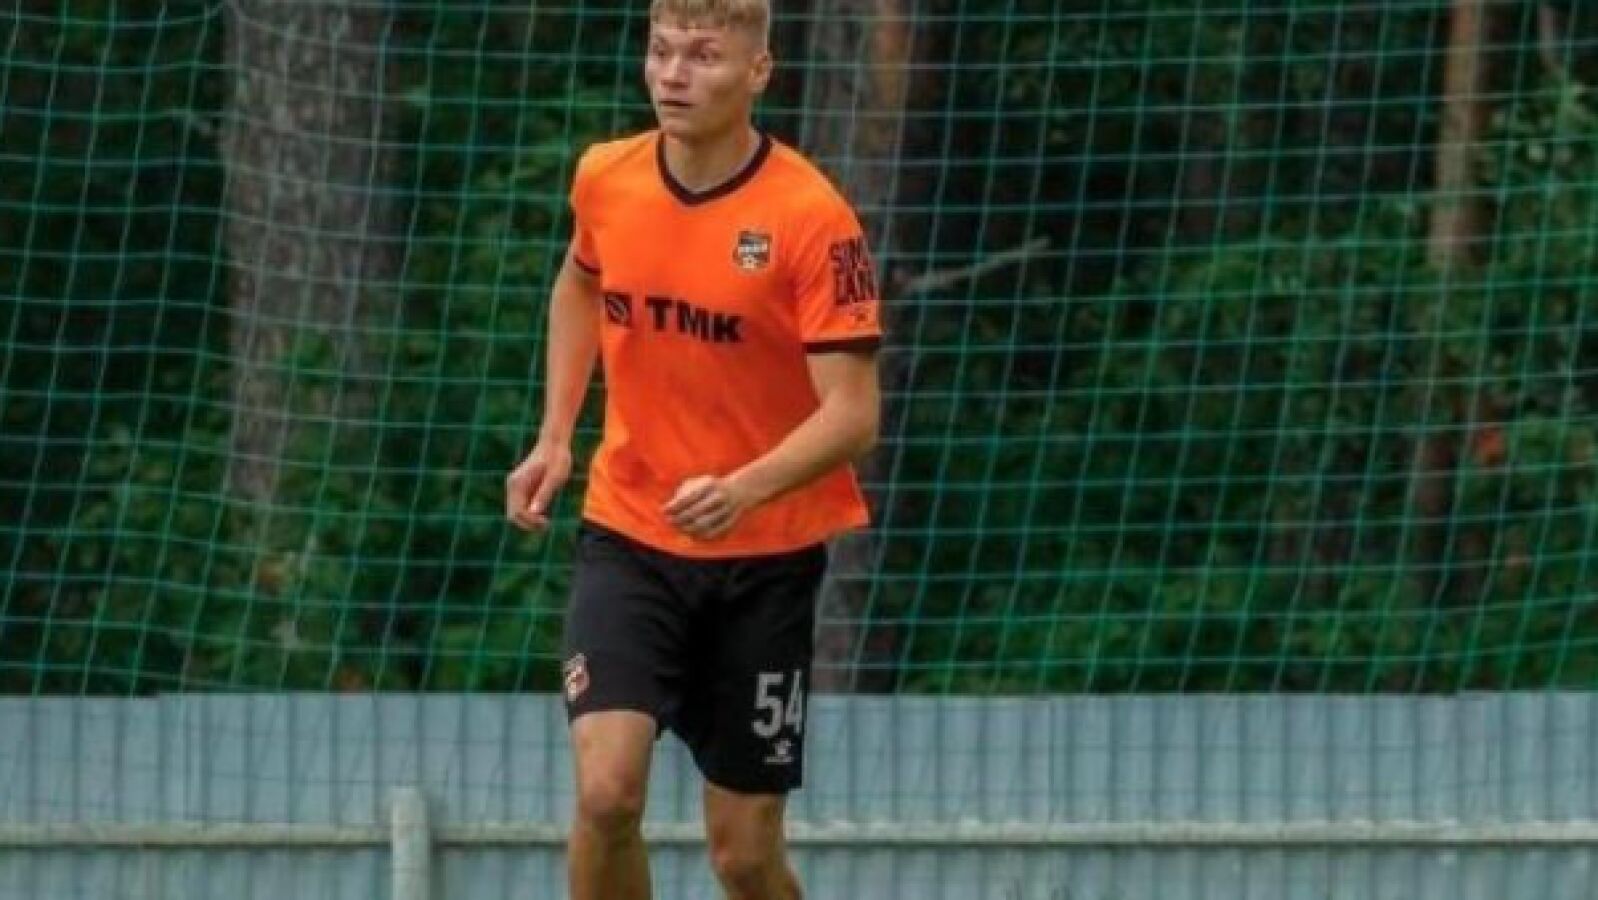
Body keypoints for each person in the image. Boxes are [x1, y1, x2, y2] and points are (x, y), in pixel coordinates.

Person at [503, 1, 882, 897]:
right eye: (661, 51)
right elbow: (580, 284)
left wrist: (745, 488)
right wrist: (556, 434)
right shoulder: (606, 177)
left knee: (743, 858)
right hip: (631, 534)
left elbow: (854, 415)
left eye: (704, 56)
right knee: (606, 793)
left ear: (758, 72)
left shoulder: (811, 217)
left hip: (766, 558)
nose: (673, 74)